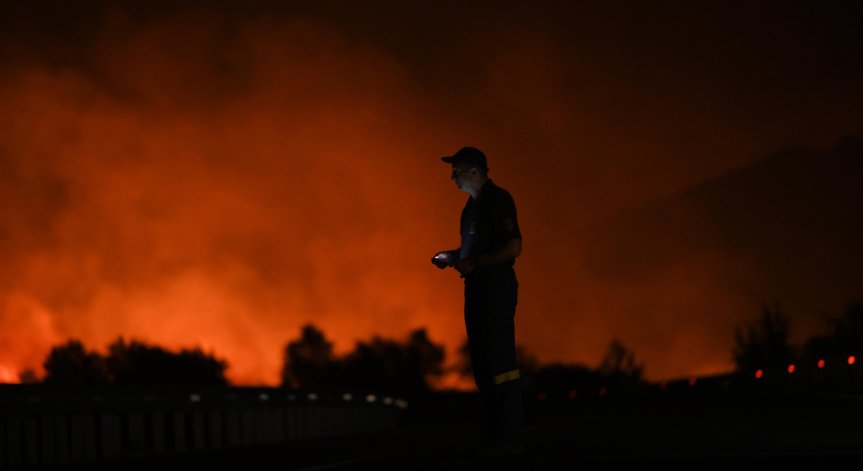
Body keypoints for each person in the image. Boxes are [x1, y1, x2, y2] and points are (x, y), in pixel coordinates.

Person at [432, 146, 525, 456]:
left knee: (500, 359)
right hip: (475, 289)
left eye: (456, 170)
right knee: (482, 360)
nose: (452, 177)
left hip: (496, 288)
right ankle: (493, 430)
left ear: (475, 171)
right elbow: (472, 253)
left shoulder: (499, 200)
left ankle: (509, 431)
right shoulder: (469, 209)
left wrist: (475, 263)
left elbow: (513, 247)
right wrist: (454, 257)